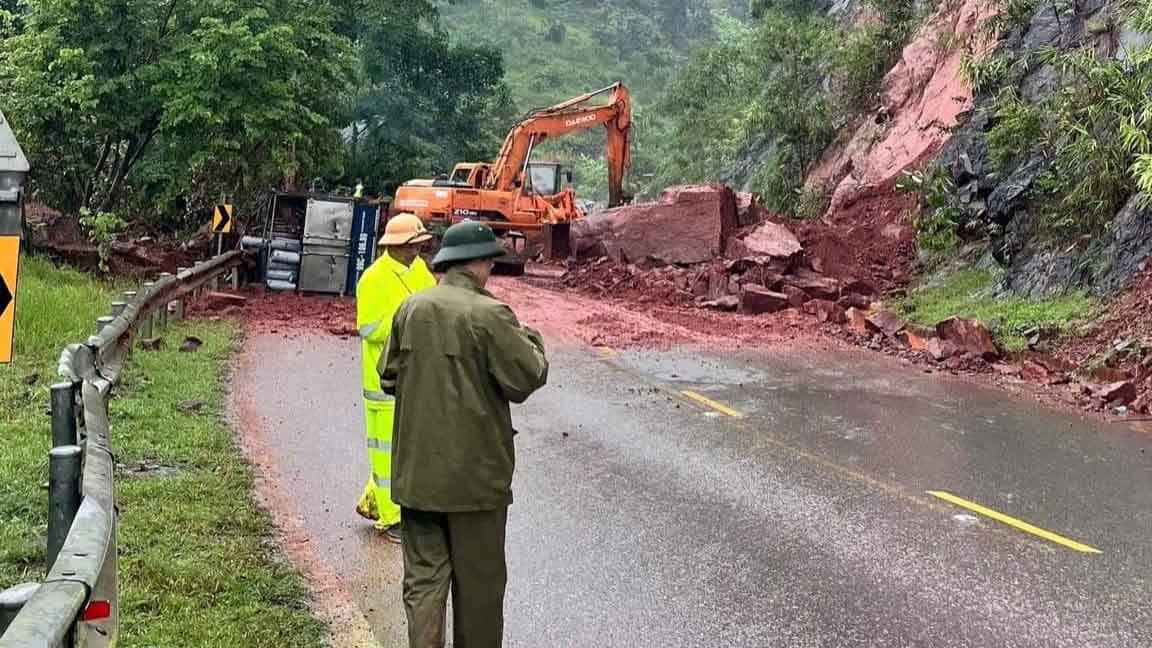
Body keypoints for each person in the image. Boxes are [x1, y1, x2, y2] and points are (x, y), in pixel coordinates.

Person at [381, 221, 549, 648]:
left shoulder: (411, 308)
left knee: (423, 586)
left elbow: (388, 376)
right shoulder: (491, 314)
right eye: (491, 260)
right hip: (475, 486)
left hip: (416, 479)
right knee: (479, 594)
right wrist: (532, 338)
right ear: (480, 263)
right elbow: (526, 378)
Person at [354, 213, 436, 543]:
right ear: (396, 246)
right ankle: (390, 518)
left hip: (416, 377)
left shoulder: (418, 270)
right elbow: (369, 328)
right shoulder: (373, 279)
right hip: (384, 384)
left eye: (419, 245)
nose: (417, 251)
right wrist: (408, 322)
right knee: (387, 453)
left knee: (407, 450)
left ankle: (373, 502)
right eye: (412, 246)